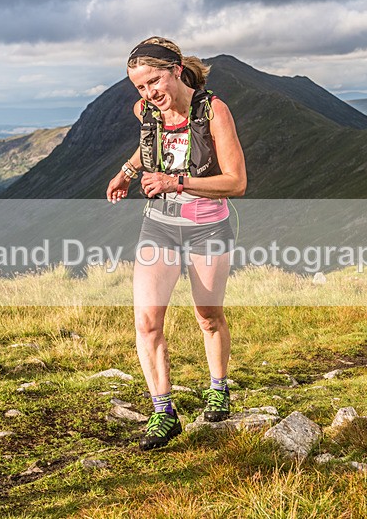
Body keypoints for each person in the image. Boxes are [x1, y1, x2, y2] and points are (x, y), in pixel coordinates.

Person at [106, 37, 247, 451]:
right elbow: (148, 144)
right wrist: (127, 172)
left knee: (207, 316)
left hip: (208, 230)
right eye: (140, 87)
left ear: (176, 69)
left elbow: (236, 182)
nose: (149, 93)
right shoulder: (148, 110)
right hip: (160, 228)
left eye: (154, 81)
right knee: (147, 322)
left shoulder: (213, 111)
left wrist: (176, 182)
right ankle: (163, 412)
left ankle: (218, 386)